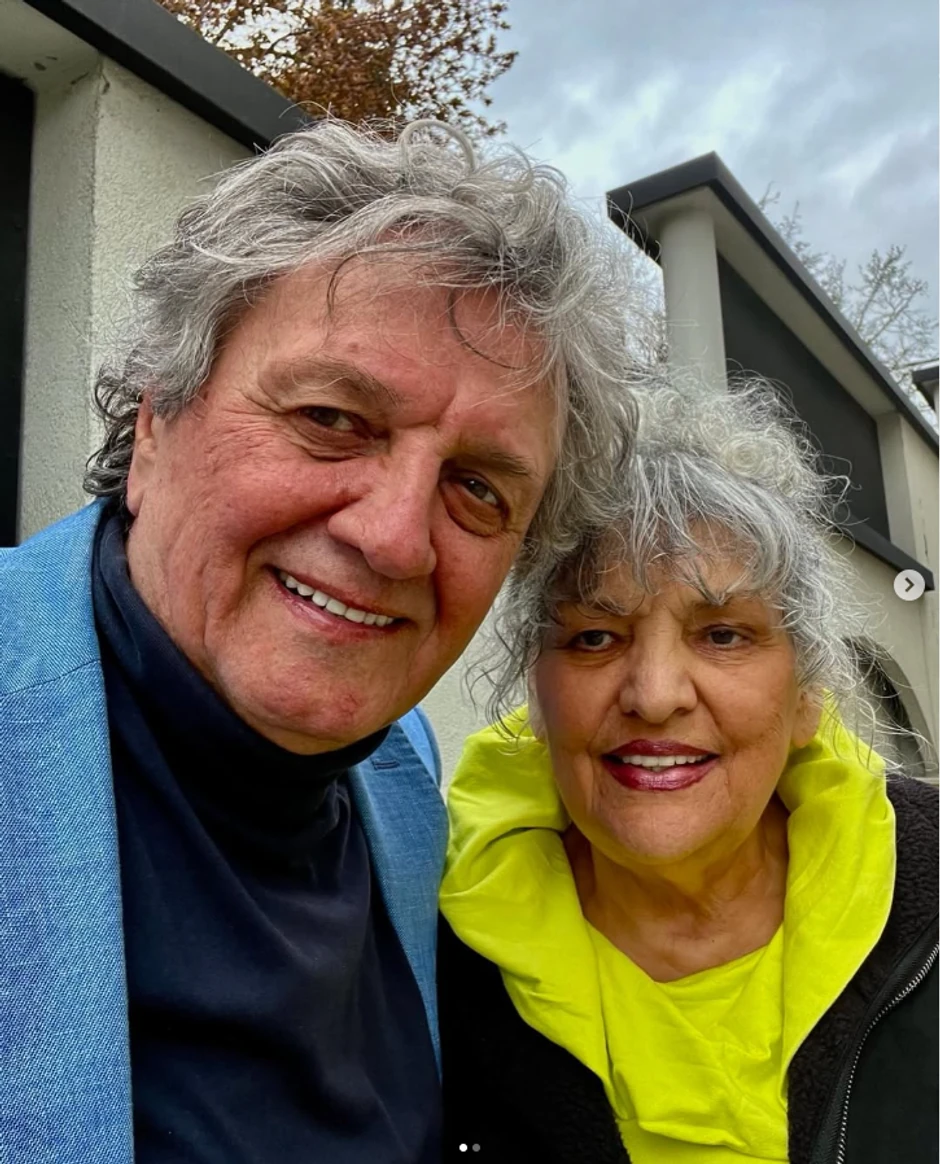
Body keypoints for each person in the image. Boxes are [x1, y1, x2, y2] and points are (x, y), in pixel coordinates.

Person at [0, 119, 638, 1164]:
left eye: (478, 488)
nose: (394, 538)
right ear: (156, 422)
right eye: (332, 419)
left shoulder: (402, 776)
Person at [439, 379, 938, 1164]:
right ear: (536, 694)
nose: (654, 695)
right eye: (595, 638)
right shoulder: (426, 940)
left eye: (723, 635)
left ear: (807, 695)